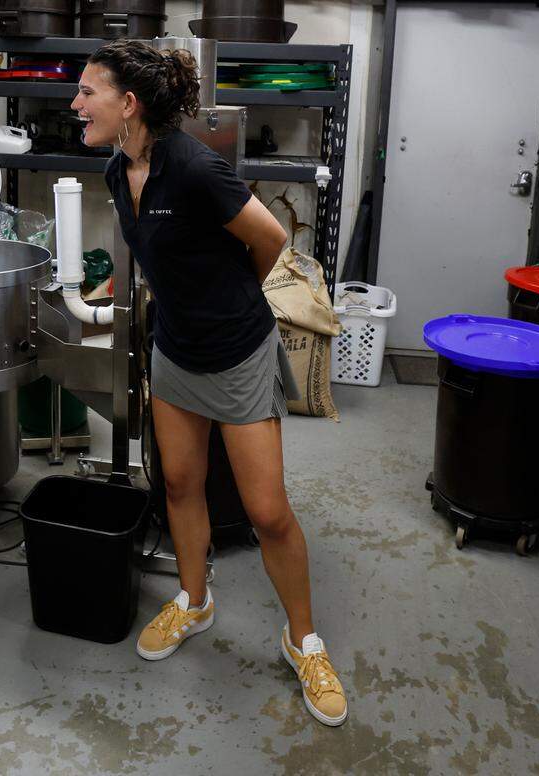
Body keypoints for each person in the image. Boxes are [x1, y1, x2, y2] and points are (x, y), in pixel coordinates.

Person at [71, 40, 348, 727]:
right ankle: (195, 601)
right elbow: (154, 254)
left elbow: (270, 239)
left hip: (236, 352)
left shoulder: (196, 167)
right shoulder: (117, 170)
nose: (75, 104)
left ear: (128, 104)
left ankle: (304, 641)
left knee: (267, 511)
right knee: (179, 484)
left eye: (87, 92)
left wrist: (230, 299)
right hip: (175, 352)